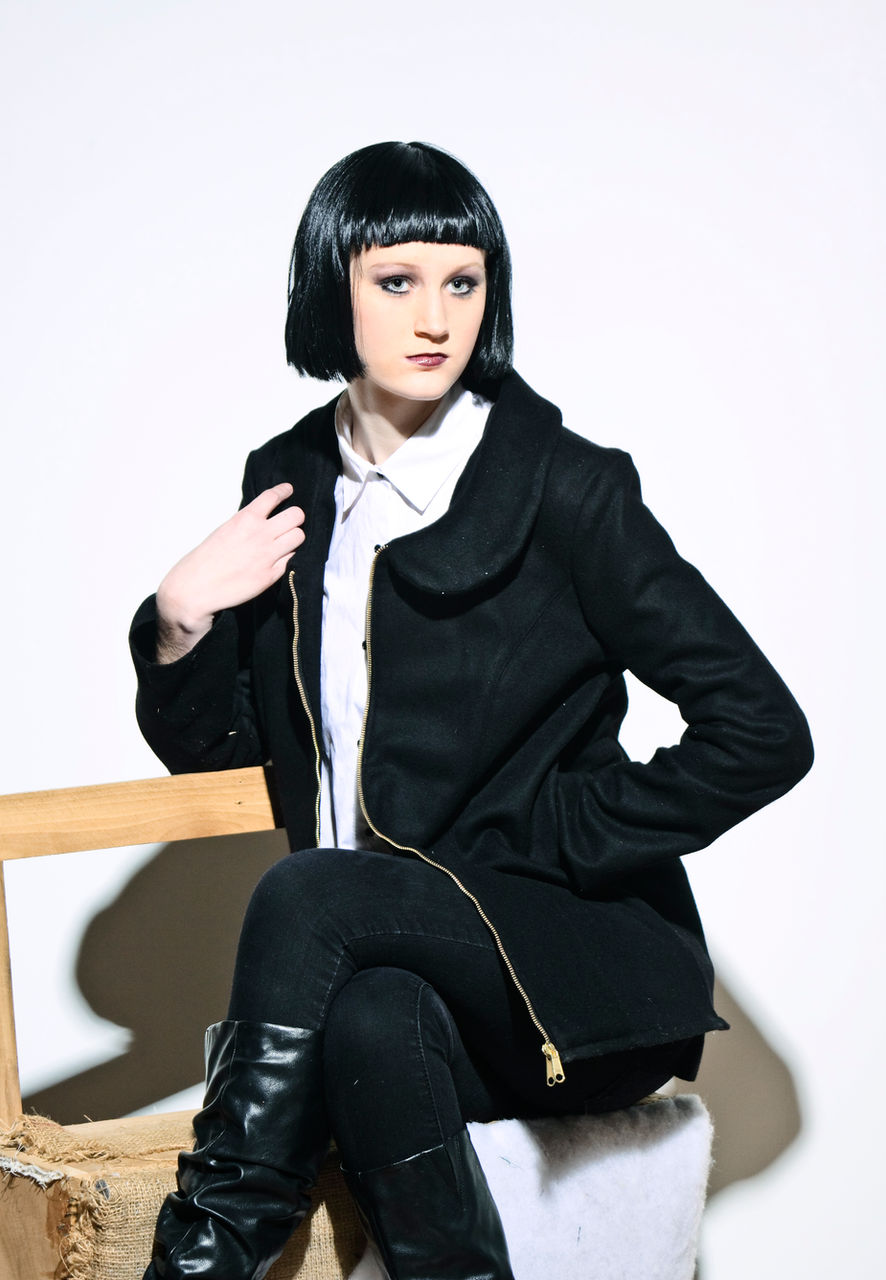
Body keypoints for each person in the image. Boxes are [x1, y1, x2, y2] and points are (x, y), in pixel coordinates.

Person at [130, 140, 813, 1280]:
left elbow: (763, 730)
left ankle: (203, 1256)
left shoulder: (565, 485)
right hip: (381, 972)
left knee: (307, 891)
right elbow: (226, 756)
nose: (436, 317)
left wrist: (561, 833)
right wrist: (178, 616)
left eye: (463, 281)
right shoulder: (289, 482)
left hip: (560, 972)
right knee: (368, 1017)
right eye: (397, 281)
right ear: (333, 288)